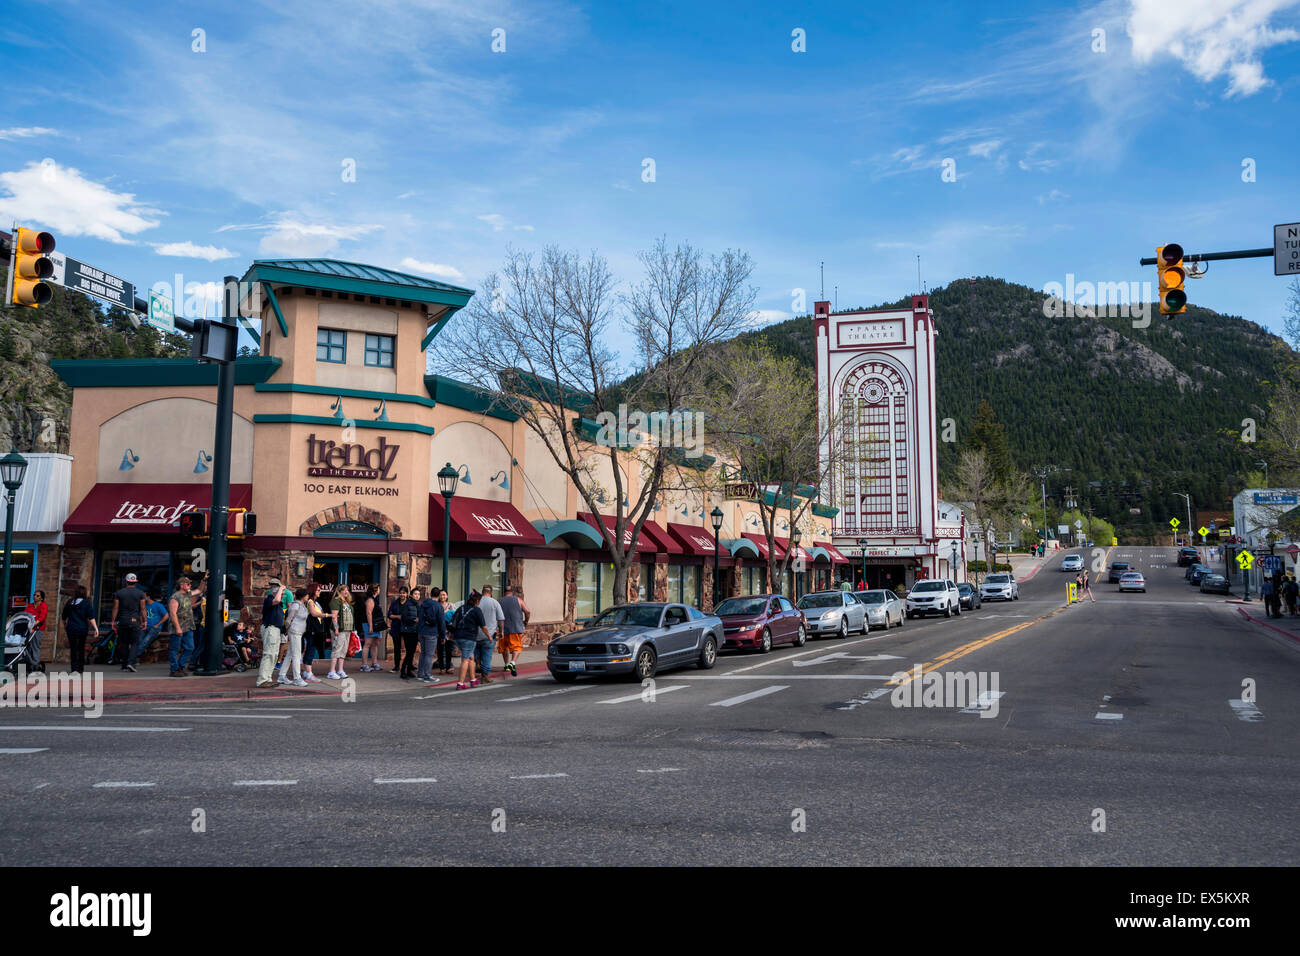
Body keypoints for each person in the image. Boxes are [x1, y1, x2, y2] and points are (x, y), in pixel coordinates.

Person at [452, 591, 490, 690]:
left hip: (458, 637)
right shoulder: (477, 610)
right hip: (469, 637)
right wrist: (489, 637)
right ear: (477, 600)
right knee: (465, 660)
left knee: (471, 657)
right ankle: (460, 683)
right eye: (480, 601)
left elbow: (453, 622)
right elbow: (484, 627)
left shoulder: (461, 608)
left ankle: (473, 680)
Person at [111, 574, 148, 672]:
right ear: (135, 582)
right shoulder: (140, 593)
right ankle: (131, 663)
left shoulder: (119, 593)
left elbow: (115, 608)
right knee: (135, 643)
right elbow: (143, 608)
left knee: (123, 643)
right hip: (135, 620)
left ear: (126, 582)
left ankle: (124, 665)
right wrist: (145, 621)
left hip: (122, 620)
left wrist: (113, 621)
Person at [279, 588, 315, 687]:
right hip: (295, 632)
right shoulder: (295, 605)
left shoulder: (302, 605)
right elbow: (288, 619)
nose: (308, 596)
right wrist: (287, 630)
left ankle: (281, 676)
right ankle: (297, 678)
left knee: (290, 654)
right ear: (303, 596)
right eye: (307, 595)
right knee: (296, 655)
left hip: (298, 632)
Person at [60, 585, 98, 674]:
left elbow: (63, 617)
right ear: (84, 593)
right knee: (81, 648)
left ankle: (74, 668)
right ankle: (80, 668)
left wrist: (65, 625)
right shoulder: (86, 603)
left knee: (73, 649)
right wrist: (96, 628)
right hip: (82, 629)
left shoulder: (70, 602)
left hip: (71, 628)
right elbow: (91, 617)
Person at [256, 580, 285, 688]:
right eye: (281, 593)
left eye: (282, 594)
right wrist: (281, 588)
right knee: (269, 654)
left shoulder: (278, 603)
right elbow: (276, 599)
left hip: (275, 630)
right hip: (270, 629)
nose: (282, 595)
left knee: (274, 655)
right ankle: (262, 680)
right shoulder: (269, 600)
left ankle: (268, 678)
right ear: (274, 592)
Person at [498, 584, 531, 677]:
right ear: (512, 592)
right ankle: (512, 663)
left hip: (503, 628)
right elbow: (527, 611)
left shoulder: (499, 601)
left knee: (504, 647)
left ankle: (506, 665)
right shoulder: (518, 600)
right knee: (516, 647)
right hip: (515, 627)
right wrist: (526, 621)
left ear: (504, 592)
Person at [166, 576, 196, 678]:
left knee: (190, 647)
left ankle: (180, 667)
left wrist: (204, 580)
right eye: (188, 584)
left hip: (188, 626)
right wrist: (178, 628)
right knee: (175, 649)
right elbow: (173, 614)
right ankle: (174, 669)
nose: (190, 585)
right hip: (177, 627)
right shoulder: (175, 597)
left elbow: (200, 590)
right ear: (182, 585)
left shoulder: (188, 594)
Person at [416, 585, 446, 682]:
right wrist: (443, 636)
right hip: (432, 632)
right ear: (438, 595)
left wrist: (419, 631)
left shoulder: (424, 603)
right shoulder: (438, 606)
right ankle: (427, 676)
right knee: (429, 655)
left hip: (422, 631)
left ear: (430, 594)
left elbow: (420, 618)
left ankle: (420, 674)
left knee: (423, 654)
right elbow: (441, 622)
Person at [477, 584, 504, 683]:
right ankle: (485, 675)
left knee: (476, 654)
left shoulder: (477, 601)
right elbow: (500, 619)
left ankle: (476, 667)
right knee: (487, 656)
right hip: (489, 635)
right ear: (491, 592)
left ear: (482, 591)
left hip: (476, 634)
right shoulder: (495, 603)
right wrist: (501, 631)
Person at [328, 587, 356, 680]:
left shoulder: (347, 602)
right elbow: (334, 616)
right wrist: (336, 629)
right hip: (340, 630)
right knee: (337, 649)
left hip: (347, 630)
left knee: (343, 650)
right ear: (339, 592)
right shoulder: (336, 601)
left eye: (347, 590)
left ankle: (340, 670)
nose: (346, 592)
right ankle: (331, 671)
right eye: (344, 590)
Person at [398, 587, 423, 679]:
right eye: (415, 594)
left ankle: (408, 671)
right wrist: (413, 620)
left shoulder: (418, 605)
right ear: (411, 595)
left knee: (412, 652)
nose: (417, 596)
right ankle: (403, 671)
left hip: (415, 631)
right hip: (408, 631)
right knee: (409, 652)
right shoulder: (407, 604)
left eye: (418, 594)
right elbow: (403, 617)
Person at [361, 583, 386, 673]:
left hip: (376, 625)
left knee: (375, 644)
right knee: (367, 644)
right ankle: (364, 665)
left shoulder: (376, 599)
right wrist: (370, 626)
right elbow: (368, 613)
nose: (380, 590)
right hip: (369, 624)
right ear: (375, 590)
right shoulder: (370, 600)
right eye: (379, 588)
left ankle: (374, 663)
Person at [23, 590, 49, 670]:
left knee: (35, 647)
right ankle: (28, 664)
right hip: (28, 629)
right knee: (26, 647)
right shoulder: (30, 606)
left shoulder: (44, 605)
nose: (35, 596)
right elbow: (25, 615)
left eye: (37, 595)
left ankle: (35, 665)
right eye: (34, 595)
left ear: (41, 598)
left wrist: (33, 625)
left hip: (38, 629)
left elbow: (42, 617)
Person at [388, 586, 412, 673]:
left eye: (404, 593)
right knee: (396, 648)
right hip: (396, 627)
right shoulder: (394, 603)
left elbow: (413, 615)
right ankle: (396, 666)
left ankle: (409, 665)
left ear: (407, 594)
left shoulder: (410, 603)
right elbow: (389, 615)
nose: (402, 594)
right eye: (401, 593)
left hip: (407, 628)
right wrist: (397, 616)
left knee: (408, 648)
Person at [436, 589, 455, 674]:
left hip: (449, 631)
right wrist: (445, 612)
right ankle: (441, 668)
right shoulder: (436, 605)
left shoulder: (450, 605)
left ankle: (448, 667)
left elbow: (454, 616)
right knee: (440, 650)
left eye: (444, 595)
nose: (442, 596)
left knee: (448, 650)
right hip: (439, 631)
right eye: (441, 595)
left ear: (447, 596)